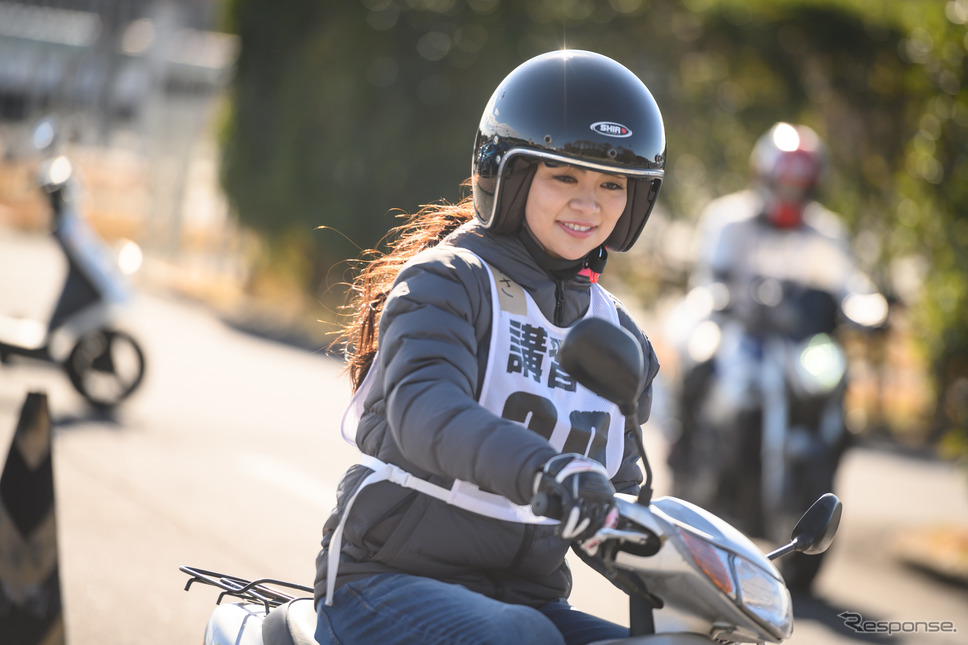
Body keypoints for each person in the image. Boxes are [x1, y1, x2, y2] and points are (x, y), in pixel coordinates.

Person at [313, 49, 665, 645]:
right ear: (512, 175)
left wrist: (697, 571)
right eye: (565, 176)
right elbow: (428, 414)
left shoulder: (622, 335)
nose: (590, 204)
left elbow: (618, 498)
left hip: (525, 599)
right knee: (522, 637)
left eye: (613, 184)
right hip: (383, 583)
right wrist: (550, 473)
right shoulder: (447, 281)